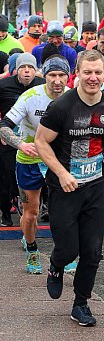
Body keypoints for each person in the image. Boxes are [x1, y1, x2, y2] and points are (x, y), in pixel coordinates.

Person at [34, 49, 104, 327]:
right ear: (78, 74)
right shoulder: (62, 107)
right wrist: (61, 173)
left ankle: (81, 303)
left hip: (96, 187)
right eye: (88, 72)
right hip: (65, 189)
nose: (93, 78)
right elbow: (40, 142)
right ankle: (57, 265)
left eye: (98, 73)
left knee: (93, 251)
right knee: (68, 249)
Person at [0, 56, 70, 274]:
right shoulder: (30, 97)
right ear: (44, 76)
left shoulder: (73, 97)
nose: (57, 81)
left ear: (68, 77)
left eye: (61, 76)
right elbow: (4, 126)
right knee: (31, 212)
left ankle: (64, 254)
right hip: (30, 160)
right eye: (52, 75)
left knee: (64, 211)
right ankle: (31, 249)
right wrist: (20, 144)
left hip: (59, 160)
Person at [0, 53, 45, 227]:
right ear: (15, 70)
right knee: (7, 175)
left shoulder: (42, 86)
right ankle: (5, 210)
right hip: (8, 137)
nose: (27, 71)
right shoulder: (4, 86)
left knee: (41, 176)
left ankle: (40, 207)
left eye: (30, 68)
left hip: (36, 140)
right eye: (23, 68)